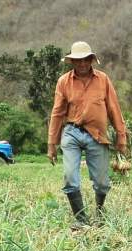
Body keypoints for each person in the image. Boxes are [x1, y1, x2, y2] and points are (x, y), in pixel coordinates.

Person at [47, 41, 127, 227]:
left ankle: (99, 213)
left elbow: (114, 109)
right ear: (72, 62)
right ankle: (81, 220)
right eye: (78, 61)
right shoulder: (64, 82)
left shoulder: (103, 80)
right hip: (72, 132)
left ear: (91, 60)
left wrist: (121, 138)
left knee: (101, 182)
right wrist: (52, 144)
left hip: (97, 134)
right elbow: (57, 113)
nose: (82, 64)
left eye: (86, 60)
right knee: (70, 177)